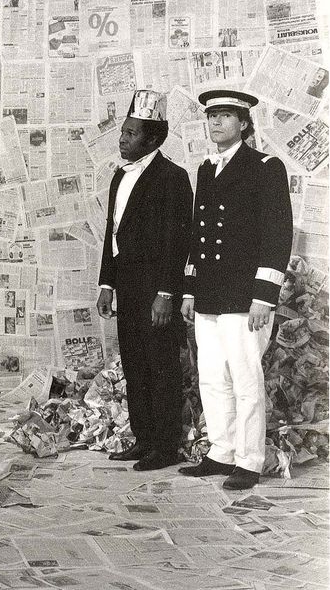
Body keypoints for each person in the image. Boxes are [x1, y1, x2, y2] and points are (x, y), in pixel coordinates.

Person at [179, 89, 292, 490]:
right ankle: (221, 452)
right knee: (211, 376)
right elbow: (199, 234)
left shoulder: (265, 166)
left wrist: (264, 295)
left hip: (245, 295)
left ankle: (249, 459)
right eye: (211, 117)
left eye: (225, 116)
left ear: (244, 123)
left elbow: (277, 235)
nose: (215, 123)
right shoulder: (206, 169)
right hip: (209, 293)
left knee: (245, 379)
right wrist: (190, 289)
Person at [95, 90, 192, 471]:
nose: (122, 139)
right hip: (128, 284)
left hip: (156, 288)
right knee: (134, 362)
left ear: (152, 139)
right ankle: (144, 438)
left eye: (131, 134)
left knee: (161, 367)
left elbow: (177, 240)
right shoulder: (119, 176)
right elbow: (112, 231)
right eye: (123, 132)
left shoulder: (173, 177)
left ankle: (165, 447)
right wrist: (107, 283)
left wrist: (166, 293)